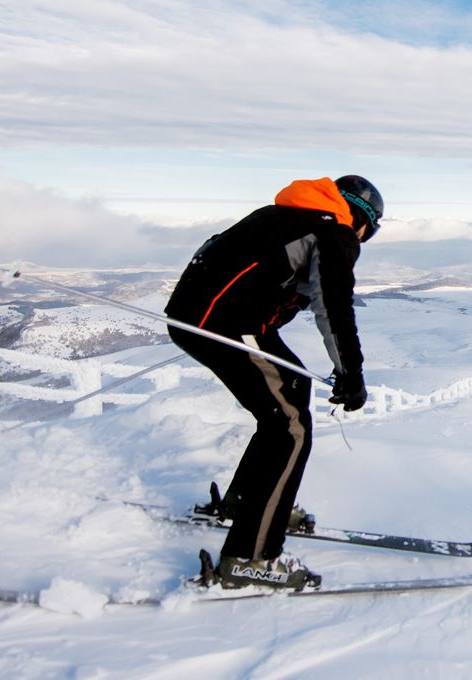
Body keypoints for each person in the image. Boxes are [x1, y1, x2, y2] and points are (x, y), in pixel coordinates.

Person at [164, 175, 383, 590]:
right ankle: (251, 556)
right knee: (290, 427)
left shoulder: (284, 215)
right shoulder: (332, 230)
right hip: (227, 324)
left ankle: (250, 504)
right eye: (366, 234)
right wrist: (352, 375)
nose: (361, 241)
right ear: (362, 221)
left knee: (292, 392)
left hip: (209, 318)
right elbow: (334, 306)